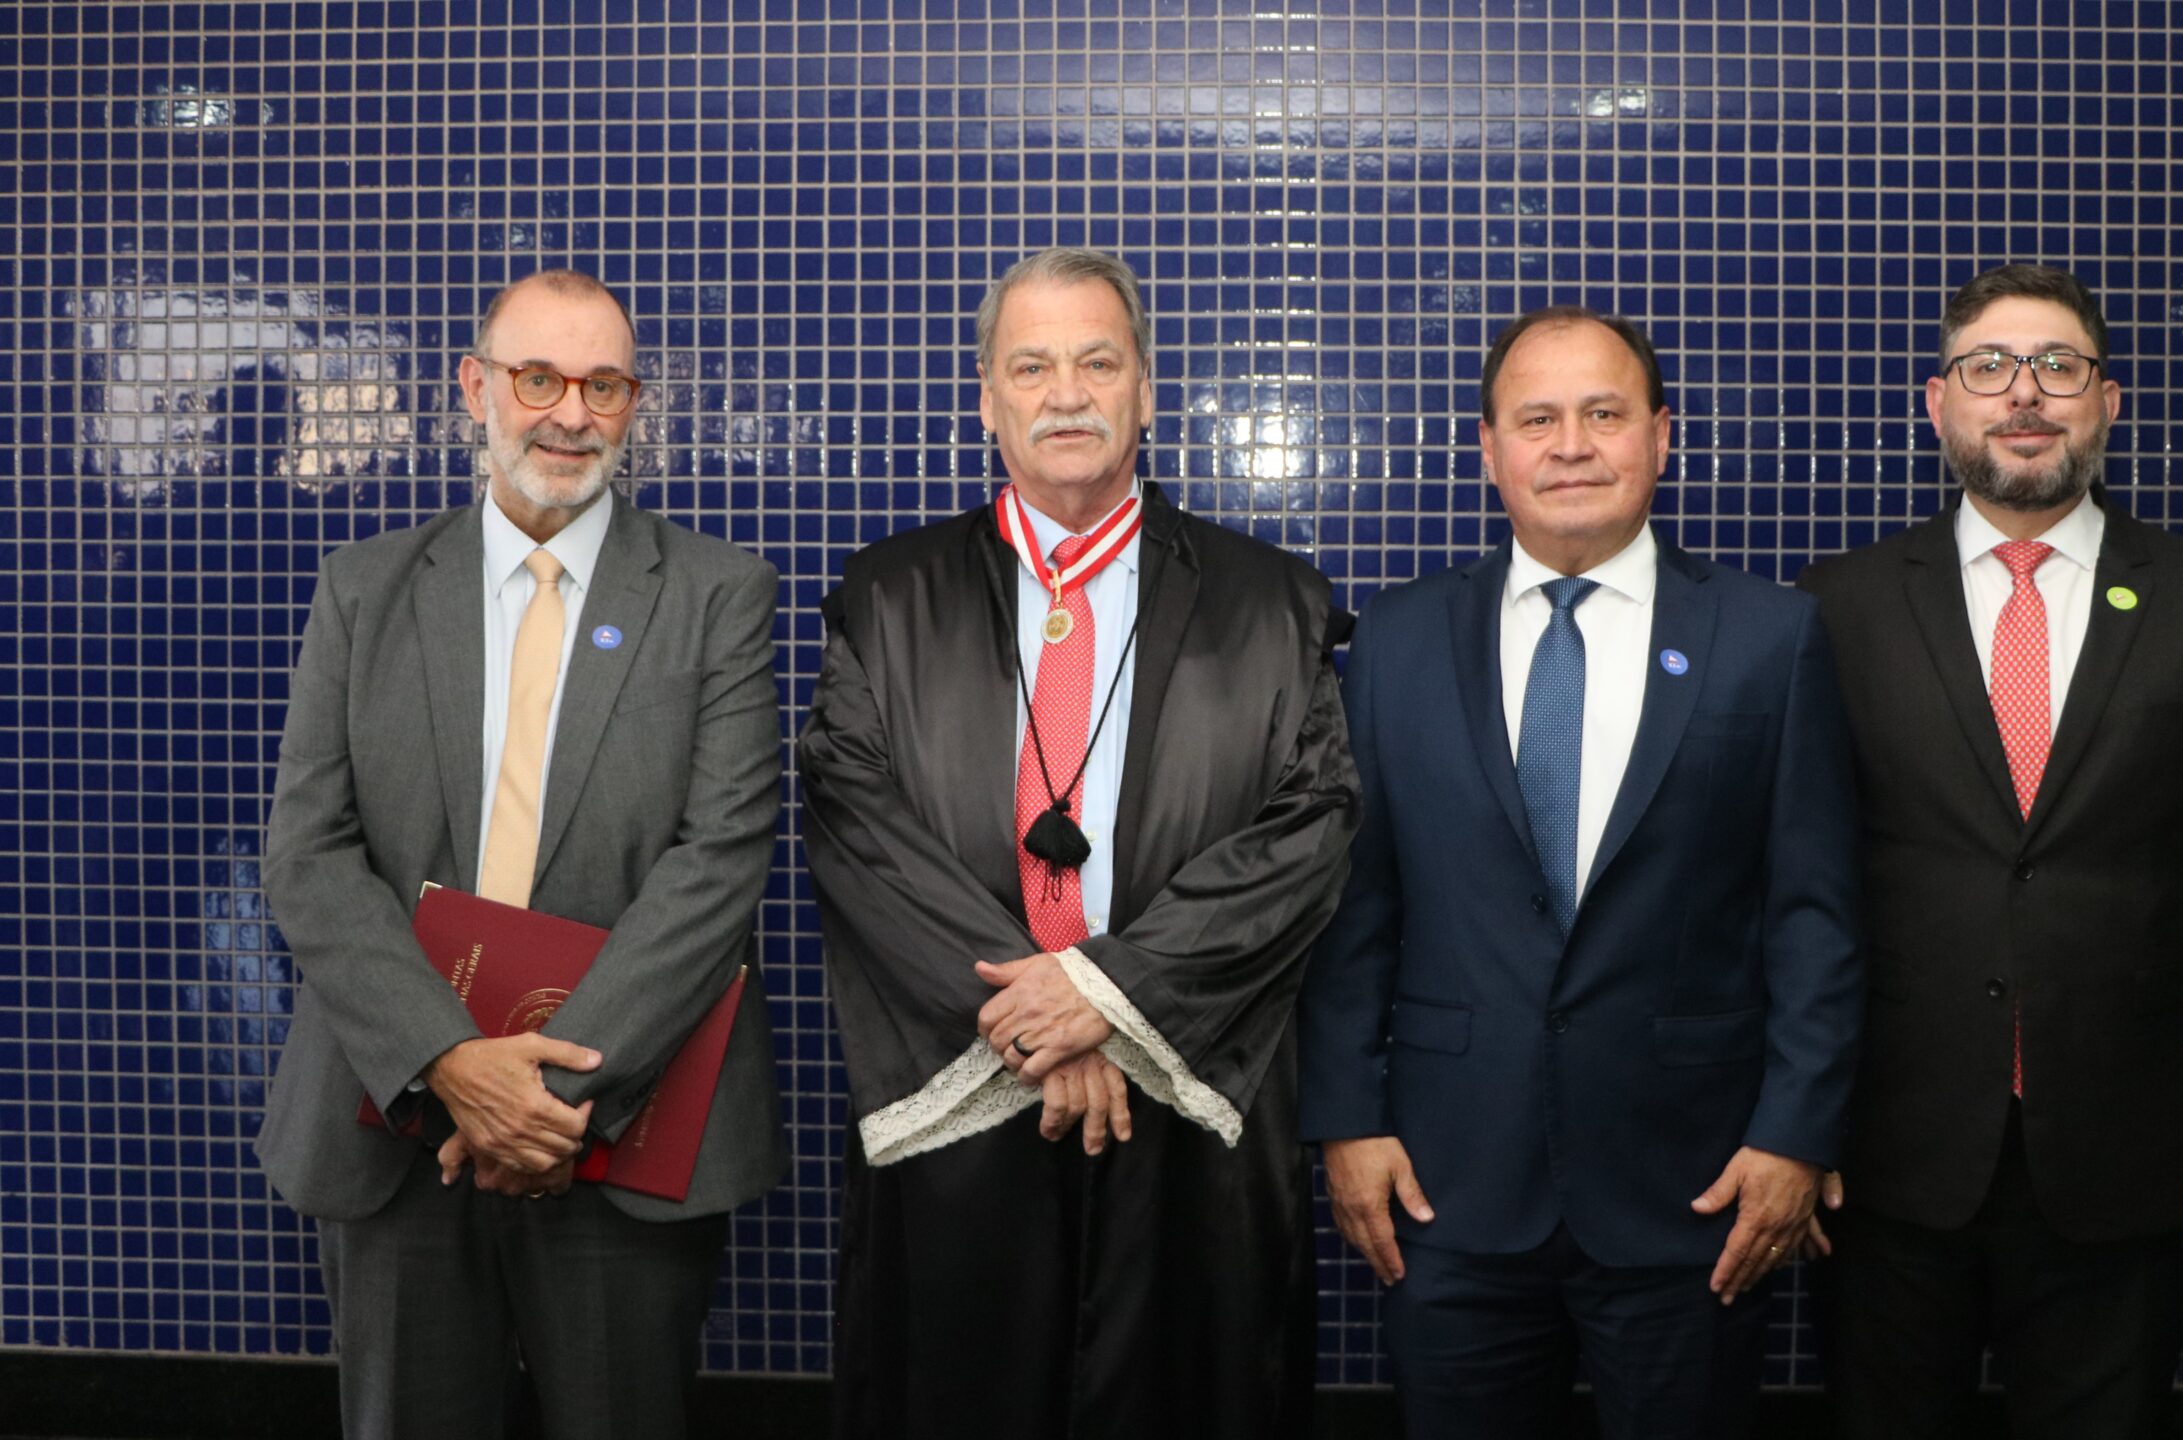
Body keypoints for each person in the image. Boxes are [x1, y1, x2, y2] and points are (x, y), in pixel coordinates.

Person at [797, 246, 1360, 1439]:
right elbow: (858, 831)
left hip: (1189, 1106)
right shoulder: (886, 598)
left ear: (1146, 392)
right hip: (963, 1097)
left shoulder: (1275, 605)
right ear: (987, 398)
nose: (1066, 394)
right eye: (1031, 366)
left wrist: (1108, 993)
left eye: (1098, 363)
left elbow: (1307, 836)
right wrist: (1042, 1021)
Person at [1297, 305, 1864, 1439]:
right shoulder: (1397, 641)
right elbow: (1351, 907)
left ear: (1661, 438)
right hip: (1444, 1187)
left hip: (1697, 1188)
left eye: (1604, 414)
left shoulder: (1770, 638)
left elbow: (1816, 913)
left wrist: (1796, 1134)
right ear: (1488, 448)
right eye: (1538, 418)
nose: (1571, 445)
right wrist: (1345, 1122)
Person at [256, 269, 787, 1440]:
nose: (569, 414)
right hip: (391, 1121)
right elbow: (308, 852)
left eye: (604, 385)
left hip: (621, 1123)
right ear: (474, 387)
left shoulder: (719, 597)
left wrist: (550, 1100)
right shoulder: (363, 590)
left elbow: (719, 864)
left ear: (634, 403)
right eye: (538, 378)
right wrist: (450, 1062)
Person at [1795, 263, 2183, 1440]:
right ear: (1938, 404)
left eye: (2057, 368)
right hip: (1885, 1153)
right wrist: (1792, 1121)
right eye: (1988, 368)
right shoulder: (1835, 606)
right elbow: (1790, 890)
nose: (2022, 395)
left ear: (2107, 402)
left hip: (2128, 1159)